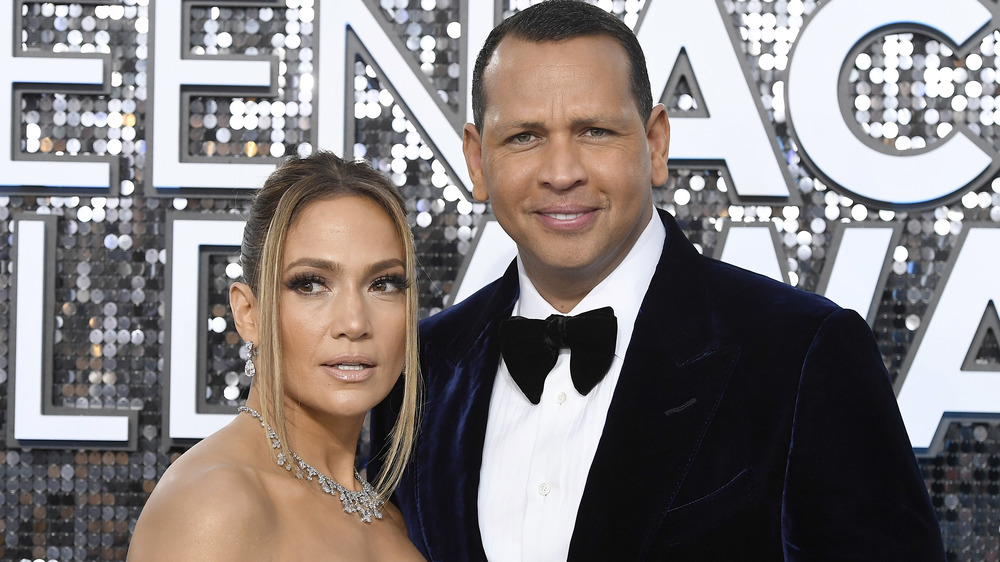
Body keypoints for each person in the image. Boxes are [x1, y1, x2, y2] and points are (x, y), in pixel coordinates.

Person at [370, 1, 945, 560]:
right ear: (477, 161)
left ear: (655, 143)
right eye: (524, 136)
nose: (562, 172)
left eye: (594, 131)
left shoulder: (803, 354)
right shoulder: (417, 369)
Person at [128, 151, 424, 560]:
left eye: (383, 284)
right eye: (311, 284)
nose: (354, 323)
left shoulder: (394, 519)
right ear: (249, 314)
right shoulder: (216, 504)